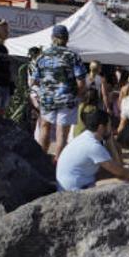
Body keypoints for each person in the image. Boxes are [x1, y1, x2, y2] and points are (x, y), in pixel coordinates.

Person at [56, 109, 129, 191]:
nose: (111, 129)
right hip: (77, 189)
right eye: (109, 125)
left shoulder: (84, 138)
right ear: (101, 127)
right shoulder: (93, 146)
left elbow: (116, 167)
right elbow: (119, 170)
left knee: (127, 172)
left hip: (69, 185)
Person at [31, 25, 86, 161]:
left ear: (52, 38)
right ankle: (57, 163)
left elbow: (34, 81)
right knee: (62, 134)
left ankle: (41, 160)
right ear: (67, 39)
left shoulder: (41, 56)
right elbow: (81, 82)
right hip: (67, 99)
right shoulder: (73, 56)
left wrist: (45, 92)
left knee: (45, 128)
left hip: (47, 100)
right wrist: (77, 96)